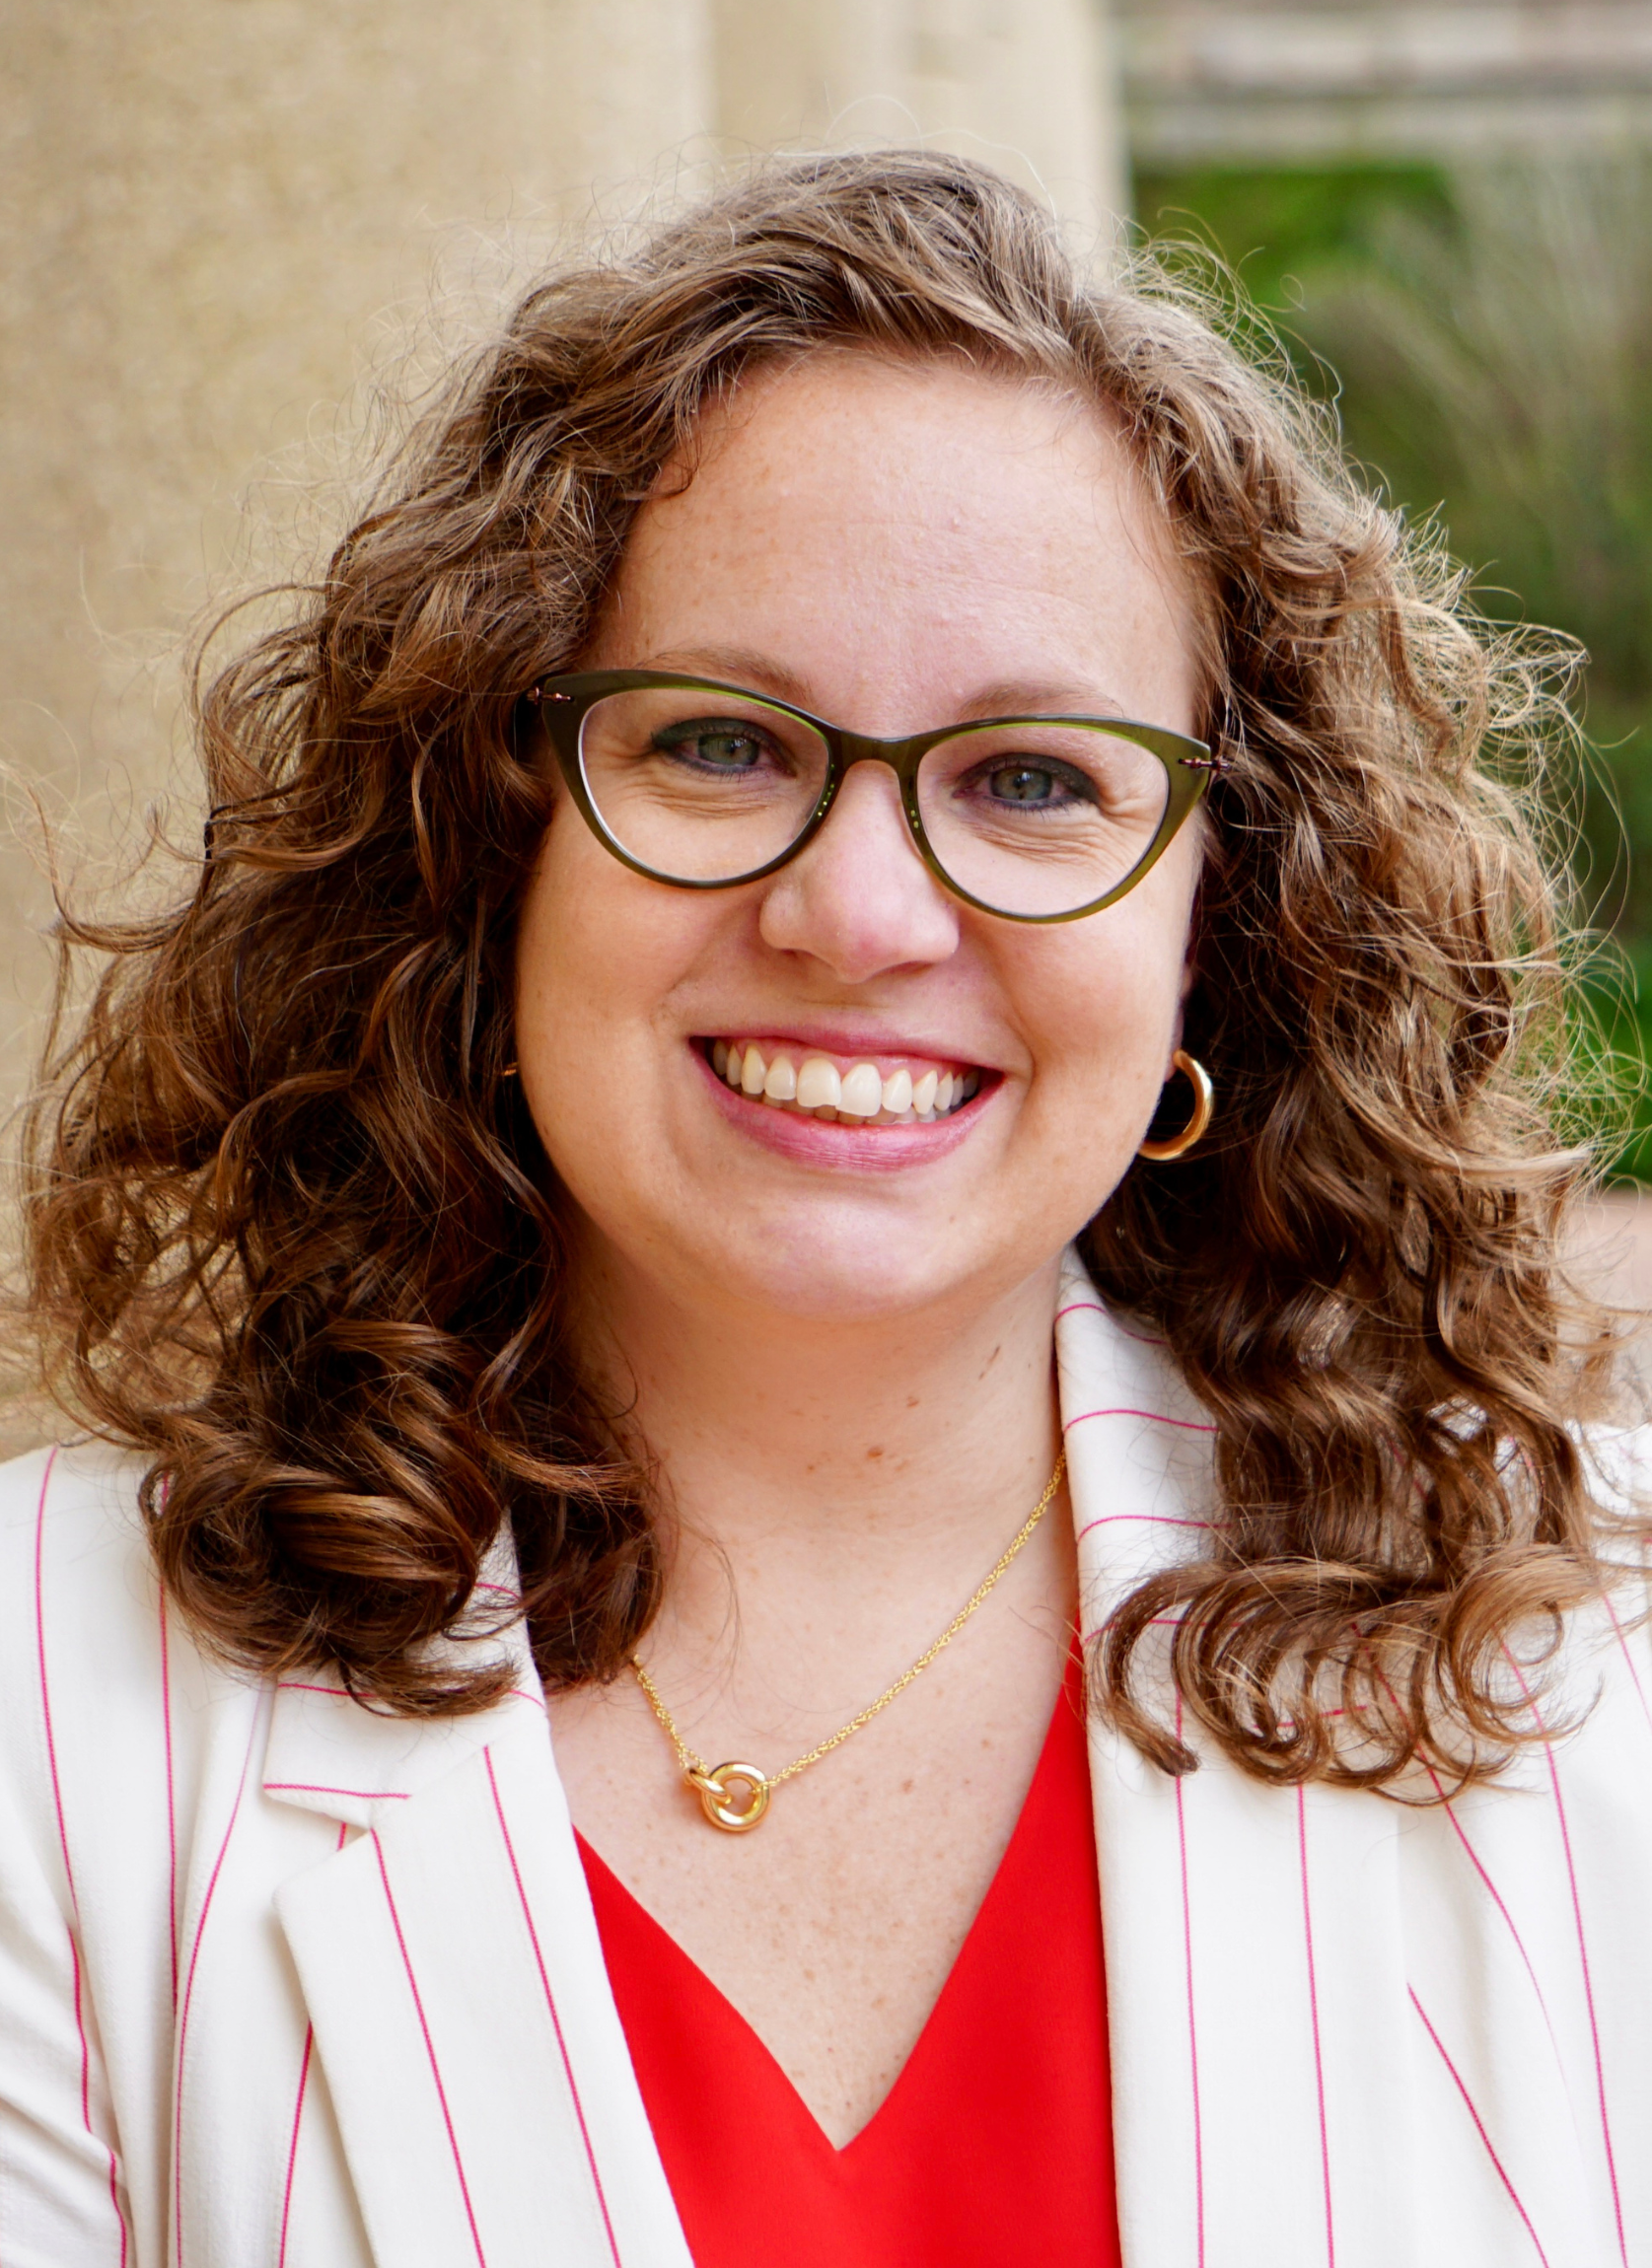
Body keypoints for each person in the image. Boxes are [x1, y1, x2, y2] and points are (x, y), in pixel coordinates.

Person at [2, 149, 1648, 2268]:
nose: (858, 913)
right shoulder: (45, 1709)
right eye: (717, 742)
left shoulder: (1592, 1680)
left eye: (1034, 778)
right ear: (488, 851)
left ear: (1218, 938)